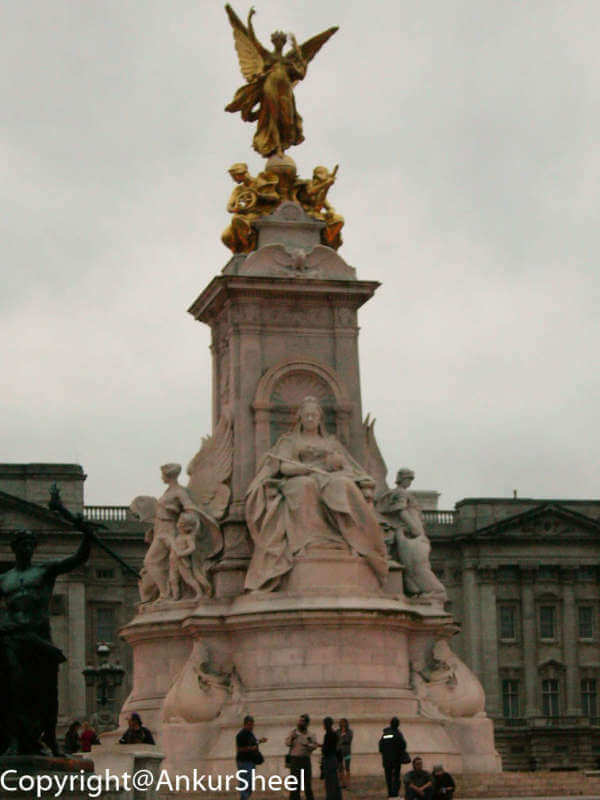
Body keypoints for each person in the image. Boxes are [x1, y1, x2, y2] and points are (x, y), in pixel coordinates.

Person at [245, 396, 388, 591]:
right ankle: (307, 542)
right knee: (306, 487)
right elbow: (285, 467)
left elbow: (347, 467)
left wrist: (336, 466)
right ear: (300, 418)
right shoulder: (290, 440)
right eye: (307, 415)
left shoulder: (331, 442)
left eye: (314, 415)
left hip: (328, 477)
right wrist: (308, 469)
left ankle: (351, 539)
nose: (311, 418)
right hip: (299, 478)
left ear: (320, 418)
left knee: (344, 485)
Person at [0, 524, 92, 755]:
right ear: (14, 548)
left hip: (39, 638)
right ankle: (14, 738)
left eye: (31, 544)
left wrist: (87, 535)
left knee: (48, 693)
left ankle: (50, 739)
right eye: (23, 544)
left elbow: (77, 559)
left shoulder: (44, 570)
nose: (28, 548)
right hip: (14, 638)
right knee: (13, 686)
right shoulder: (4, 579)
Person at [285, 713, 319, 800]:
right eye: (300, 721)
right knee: (294, 783)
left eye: (302, 721)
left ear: (307, 723)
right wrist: (292, 738)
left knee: (307, 783)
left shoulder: (311, 734)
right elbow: (287, 743)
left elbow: (315, 745)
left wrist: (308, 745)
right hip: (295, 761)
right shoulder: (293, 732)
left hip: (305, 760)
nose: (300, 723)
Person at [236, 715, 267, 800]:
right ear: (245, 724)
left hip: (251, 761)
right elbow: (239, 748)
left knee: (249, 783)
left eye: (252, 724)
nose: (251, 726)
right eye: (249, 724)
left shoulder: (250, 734)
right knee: (245, 783)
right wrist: (250, 748)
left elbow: (254, 742)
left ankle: (245, 797)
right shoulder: (241, 735)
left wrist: (260, 741)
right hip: (243, 762)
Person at [378, 716, 408, 799]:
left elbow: (381, 746)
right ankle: (394, 793)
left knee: (388, 777)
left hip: (386, 760)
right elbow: (403, 745)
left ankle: (390, 793)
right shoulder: (397, 733)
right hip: (395, 760)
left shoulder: (385, 734)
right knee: (396, 777)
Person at [321, 717, 341, 800]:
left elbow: (326, 749)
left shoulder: (328, 735)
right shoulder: (335, 734)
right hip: (333, 759)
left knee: (329, 782)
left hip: (329, 759)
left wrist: (322, 748)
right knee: (334, 781)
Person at [336, 718, 352, 788]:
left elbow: (348, 740)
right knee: (340, 767)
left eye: (344, 723)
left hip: (347, 752)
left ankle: (347, 783)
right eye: (341, 723)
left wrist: (343, 735)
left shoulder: (350, 732)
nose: (343, 724)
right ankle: (342, 782)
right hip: (339, 752)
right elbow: (337, 740)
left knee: (347, 767)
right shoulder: (337, 732)